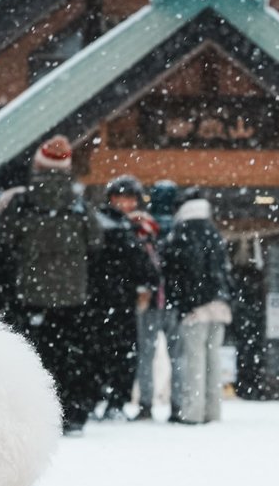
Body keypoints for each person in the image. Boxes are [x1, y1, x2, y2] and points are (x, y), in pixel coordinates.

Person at [0, 135, 100, 433]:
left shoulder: (23, 201)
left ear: (38, 165)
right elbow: (95, 239)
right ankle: (72, 413)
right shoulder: (78, 202)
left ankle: (36, 413)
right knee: (69, 354)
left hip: (31, 292)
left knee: (36, 356)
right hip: (72, 293)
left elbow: (6, 239)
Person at [88, 175, 161, 419]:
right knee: (119, 353)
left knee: (107, 352)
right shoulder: (121, 228)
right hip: (115, 298)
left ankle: (104, 399)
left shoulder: (106, 224)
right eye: (122, 199)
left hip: (103, 298)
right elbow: (143, 265)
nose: (127, 204)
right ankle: (112, 400)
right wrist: (147, 282)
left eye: (131, 199)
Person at [161, 196, 232, 424]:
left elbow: (177, 273)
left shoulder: (181, 233)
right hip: (219, 306)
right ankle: (213, 411)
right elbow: (223, 271)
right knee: (213, 359)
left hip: (195, 309)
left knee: (194, 361)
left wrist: (183, 302)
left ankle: (192, 412)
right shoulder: (213, 232)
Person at [142, 180, 183, 419]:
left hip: (148, 300)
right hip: (175, 301)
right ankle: (176, 405)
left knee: (146, 356)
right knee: (177, 356)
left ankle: (146, 404)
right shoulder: (180, 228)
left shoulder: (146, 227)